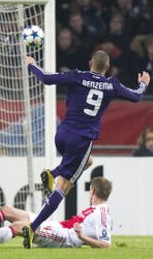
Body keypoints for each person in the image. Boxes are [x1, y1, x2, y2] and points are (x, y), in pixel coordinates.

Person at [21, 50, 150, 248]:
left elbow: (46, 78)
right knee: (63, 186)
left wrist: (31, 64)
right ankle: (33, 226)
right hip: (81, 140)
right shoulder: (111, 84)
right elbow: (136, 97)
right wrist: (143, 83)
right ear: (107, 68)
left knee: (88, 162)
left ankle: (55, 172)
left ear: (90, 62)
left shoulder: (77, 75)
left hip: (62, 134)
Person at [0, 177, 112, 249]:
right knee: (8, 211)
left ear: (93, 191)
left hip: (64, 238)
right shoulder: (98, 210)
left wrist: (82, 237)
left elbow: (106, 245)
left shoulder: (102, 214)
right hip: (58, 227)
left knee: (19, 227)